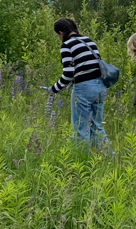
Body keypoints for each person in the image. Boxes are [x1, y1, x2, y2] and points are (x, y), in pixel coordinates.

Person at [46, 18, 110, 149]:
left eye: (58, 35)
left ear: (61, 33)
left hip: (83, 88)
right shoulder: (89, 41)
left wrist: (54, 88)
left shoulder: (66, 45)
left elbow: (68, 74)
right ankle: (111, 160)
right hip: (100, 87)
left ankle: (81, 162)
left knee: (81, 130)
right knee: (97, 128)